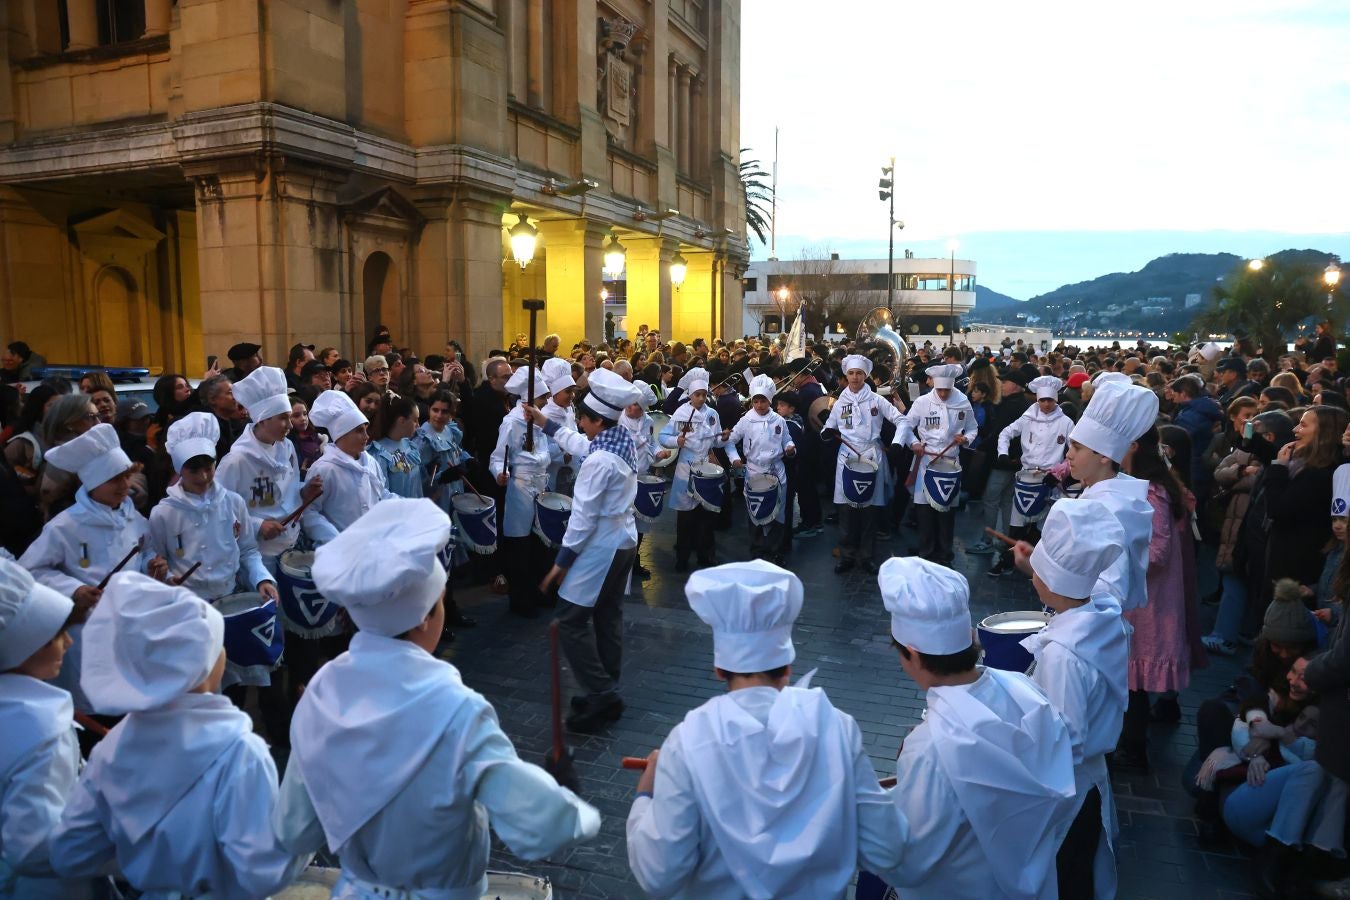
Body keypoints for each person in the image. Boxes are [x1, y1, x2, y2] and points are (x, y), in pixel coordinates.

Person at [274, 499, 600, 895]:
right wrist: (562, 797)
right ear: (427, 615)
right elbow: (537, 827)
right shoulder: (457, 710)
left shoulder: (320, 694)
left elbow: (295, 832)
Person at [626, 560, 907, 897]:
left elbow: (659, 874)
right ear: (787, 666)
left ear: (719, 669)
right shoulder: (836, 728)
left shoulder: (687, 743)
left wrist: (646, 794)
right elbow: (886, 848)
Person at [48, 573, 308, 896]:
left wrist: (143, 861)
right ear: (206, 662)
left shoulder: (110, 749)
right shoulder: (240, 753)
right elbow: (263, 874)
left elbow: (69, 853)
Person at [873, 556, 1078, 899]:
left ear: (912, 653)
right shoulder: (1023, 688)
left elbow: (910, 861)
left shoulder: (929, 748)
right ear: (969, 637)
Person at [1013, 500, 1129, 899]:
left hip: (1068, 792)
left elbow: (1066, 738)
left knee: (1066, 878)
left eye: (1039, 572)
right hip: (1088, 783)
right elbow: (1074, 588)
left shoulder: (1064, 655)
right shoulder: (1100, 616)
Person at [18, 424, 167, 716]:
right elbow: (30, 570)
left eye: (126, 477)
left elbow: (146, 548)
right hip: (87, 633)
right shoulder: (66, 525)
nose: (125, 486)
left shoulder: (132, 517)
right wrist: (73, 589)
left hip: (129, 627)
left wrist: (154, 565)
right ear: (92, 483)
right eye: (115, 480)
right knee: (94, 708)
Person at [527, 369, 643, 731]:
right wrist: (545, 422)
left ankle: (603, 693)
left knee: (570, 621)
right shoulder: (617, 438)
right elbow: (581, 443)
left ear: (597, 420)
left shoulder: (599, 461)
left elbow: (582, 519)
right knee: (607, 615)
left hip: (602, 545)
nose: (579, 423)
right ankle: (604, 687)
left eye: (583, 419)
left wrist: (561, 563)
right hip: (624, 539)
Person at [149, 412, 279, 691]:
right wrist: (163, 574)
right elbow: (157, 559)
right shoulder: (164, 514)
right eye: (193, 470)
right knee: (206, 683)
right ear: (179, 470)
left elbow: (247, 550)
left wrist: (262, 579)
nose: (204, 476)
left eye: (209, 467)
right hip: (191, 608)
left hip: (233, 603)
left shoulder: (232, 503)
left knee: (239, 678)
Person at [0, 558, 91, 898]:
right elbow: (37, 847)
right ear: (20, 644)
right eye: (55, 635)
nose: (68, 643)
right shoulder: (42, 732)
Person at [1064, 378, 1160, 612]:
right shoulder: (1103, 493)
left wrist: (1056, 582)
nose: (1068, 455)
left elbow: (1108, 593)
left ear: (1105, 455)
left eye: (1077, 447)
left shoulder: (1108, 510)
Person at [822, 355, 906, 574]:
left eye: (859, 373)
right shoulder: (841, 401)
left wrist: (897, 442)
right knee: (846, 510)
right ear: (846, 375)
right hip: (846, 456)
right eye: (851, 373)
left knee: (869, 511)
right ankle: (847, 555)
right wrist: (827, 432)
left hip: (871, 455)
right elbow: (830, 425)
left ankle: (867, 555)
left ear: (865, 375)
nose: (855, 377)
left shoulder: (877, 400)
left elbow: (901, 420)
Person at [893, 363, 977, 567]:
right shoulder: (922, 402)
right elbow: (906, 424)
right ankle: (926, 550)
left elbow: (973, 428)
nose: (943, 394)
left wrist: (965, 439)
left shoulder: (963, 401)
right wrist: (912, 443)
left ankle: (945, 553)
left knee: (946, 510)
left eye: (946, 390)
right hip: (926, 461)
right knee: (924, 509)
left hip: (950, 461)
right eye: (939, 390)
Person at [988, 374, 1072, 576]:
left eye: (1049, 400)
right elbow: (1005, 433)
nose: (1045, 404)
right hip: (1025, 479)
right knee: (1016, 526)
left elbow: (1074, 453)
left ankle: (1038, 567)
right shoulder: (1027, 418)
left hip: (1050, 481)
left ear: (1056, 400)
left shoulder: (1066, 422)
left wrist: (1060, 473)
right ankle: (1008, 561)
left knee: (1042, 529)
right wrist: (1003, 454)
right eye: (1042, 400)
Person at [658, 369, 737, 571]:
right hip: (686, 468)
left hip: (707, 467)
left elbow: (716, 441)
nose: (701, 398)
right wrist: (677, 440)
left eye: (703, 395)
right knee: (685, 517)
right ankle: (682, 557)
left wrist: (724, 438)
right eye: (697, 395)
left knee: (707, 515)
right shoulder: (681, 413)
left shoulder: (712, 414)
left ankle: (706, 555)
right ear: (690, 396)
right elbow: (663, 436)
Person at [491, 366, 553, 617]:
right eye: (542, 398)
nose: (545, 402)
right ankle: (520, 598)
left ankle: (541, 591)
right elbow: (499, 456)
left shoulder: (539, 420)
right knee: (520, 545)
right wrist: (500, 472)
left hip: (541, 484)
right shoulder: (512, 423)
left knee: (541, 543)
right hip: (521, 486)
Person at [302, 390, 393, 544]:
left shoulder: (370, 462)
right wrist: (336, 539)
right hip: (340, 551)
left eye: (366, 429)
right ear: (341, 435)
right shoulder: (324, 469)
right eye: (359, 431)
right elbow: (310, 513)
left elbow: (381, 494)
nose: (366, 436)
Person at [726, 374, 796, 562]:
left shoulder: (779, 420)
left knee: (778, 511)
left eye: (763, 401)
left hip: (776, 470)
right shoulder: (746, 420)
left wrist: (789, 448)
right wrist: (734, 458)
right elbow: (730, 441)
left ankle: (776, 549)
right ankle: (757, 549)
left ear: (770, 401)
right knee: (756, 511)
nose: (759, 405)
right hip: (755, 471)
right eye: (756, 401)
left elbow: (786, 439)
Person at [369, 395, 424, 499]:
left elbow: (417, 484)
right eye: (415, 420)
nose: (418, 425)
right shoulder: (379, 453)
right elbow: (381, 496)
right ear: (402, 421)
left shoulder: (409, 445)